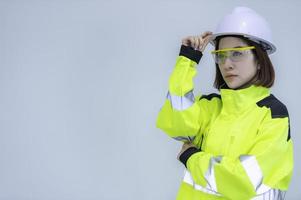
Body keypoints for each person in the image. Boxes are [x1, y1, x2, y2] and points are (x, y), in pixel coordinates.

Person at [156, 6, 293, 200]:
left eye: (237, 53)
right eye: (221, 55)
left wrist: (192, 158)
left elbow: (245, 179)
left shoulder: (273, 114)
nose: (227, 64)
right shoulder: (211, 107)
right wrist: (187, 61)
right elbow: (176, 124)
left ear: (260, 59)